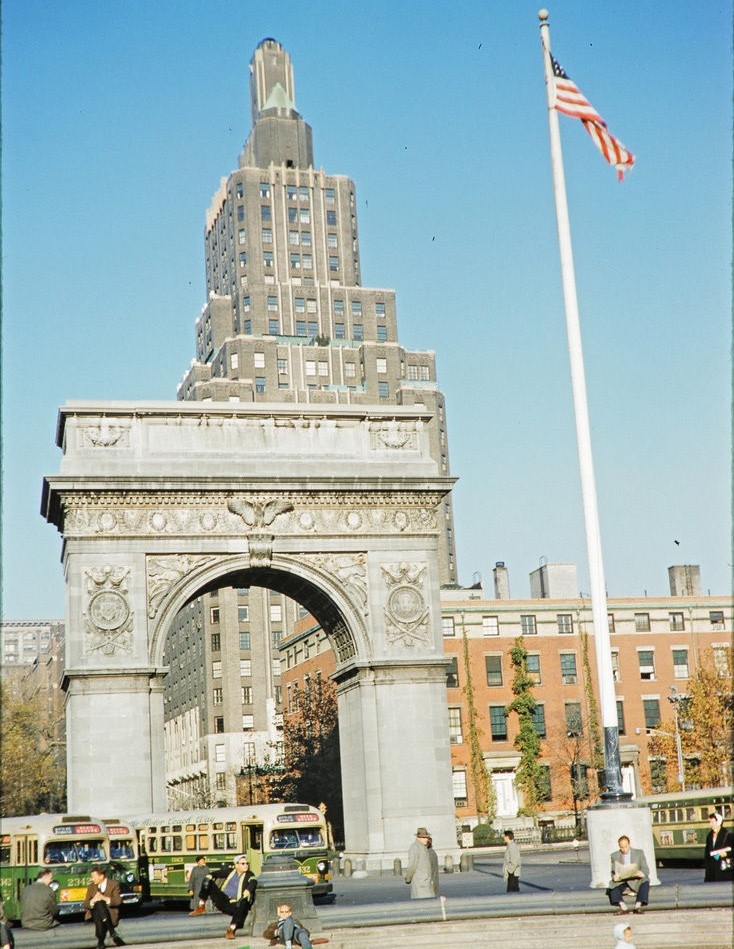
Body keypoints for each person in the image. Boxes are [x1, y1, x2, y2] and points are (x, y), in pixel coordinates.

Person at [189, 853, 256, 939]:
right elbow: (216, 873)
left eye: (247, 863)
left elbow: (253, 881)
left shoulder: (249, 874)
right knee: (207, 881)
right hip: (222, 898)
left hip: (235, 903)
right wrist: (210, 875)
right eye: (243, 863)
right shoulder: (230, 871)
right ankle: (201, 907)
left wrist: (248, 890)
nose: (246, 865)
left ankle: (231, 930)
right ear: (236, 865)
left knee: (243, 903)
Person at [83, 865, 124, 949]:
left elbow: (118, 901)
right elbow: (85, 904)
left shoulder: (113, 884)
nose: (92, 879)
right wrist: (93, 900)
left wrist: (104, 898)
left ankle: (100, 942)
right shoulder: (91, 887)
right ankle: (112, 931)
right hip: (94, 914)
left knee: (100, 904)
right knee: (98, 904)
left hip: (109, 913)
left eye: (94, 877)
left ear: (101, 876)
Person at [607, 835, 650, 915]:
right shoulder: (614, 855)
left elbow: (645, 869)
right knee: (612, 885)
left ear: (629, 844)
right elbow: (613, 871)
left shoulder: (639, 853)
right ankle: (623, 907)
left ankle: (637, 906)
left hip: (636, 878)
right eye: (621, 847)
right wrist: (614, 876)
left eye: (626, 847)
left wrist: (641, 873)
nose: (624, 849)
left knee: (646, 882)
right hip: (622, 879)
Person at [405, 826, 439, 898]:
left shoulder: (422, 847)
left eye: (427, 837)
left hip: (425, 883)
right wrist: (408, 878)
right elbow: (412, 866)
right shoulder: (415, 847)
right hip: (420, 884)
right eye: (424, 837)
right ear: (418, 837)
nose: (426, 839)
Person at [704, 811, 732, 882]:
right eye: (710, 822)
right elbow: (707, 853)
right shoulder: (709, 836)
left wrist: (726, 854)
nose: (710, 824)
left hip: (723, 872)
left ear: (718, 822)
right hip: (711, 872)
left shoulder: (728, 835)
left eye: (712, 822)